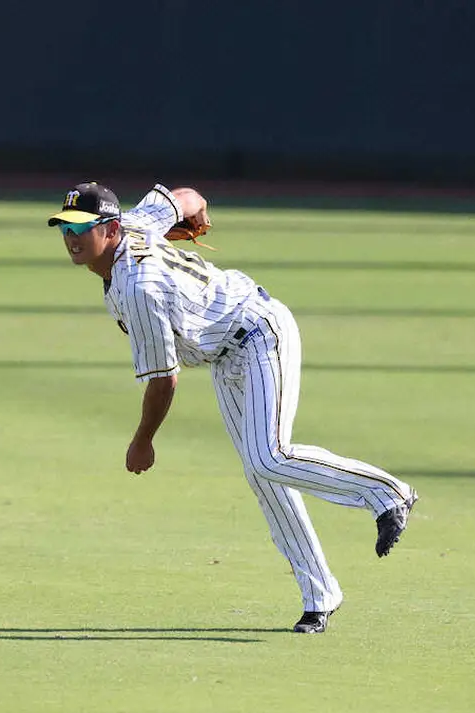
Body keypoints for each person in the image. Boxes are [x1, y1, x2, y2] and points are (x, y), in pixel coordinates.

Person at [47, 181, 418, 634]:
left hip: (260, 332)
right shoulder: (139, 222)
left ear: (109, 227)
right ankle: (319, 596)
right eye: (65, 226)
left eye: (82, 227)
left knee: (271, 456)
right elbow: (185, 196)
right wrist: (198, 214)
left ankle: (388, 494)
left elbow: (164, 380)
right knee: (263, 475)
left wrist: (142, 441)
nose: (71, 237)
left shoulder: (137, 287)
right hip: (225, 353)